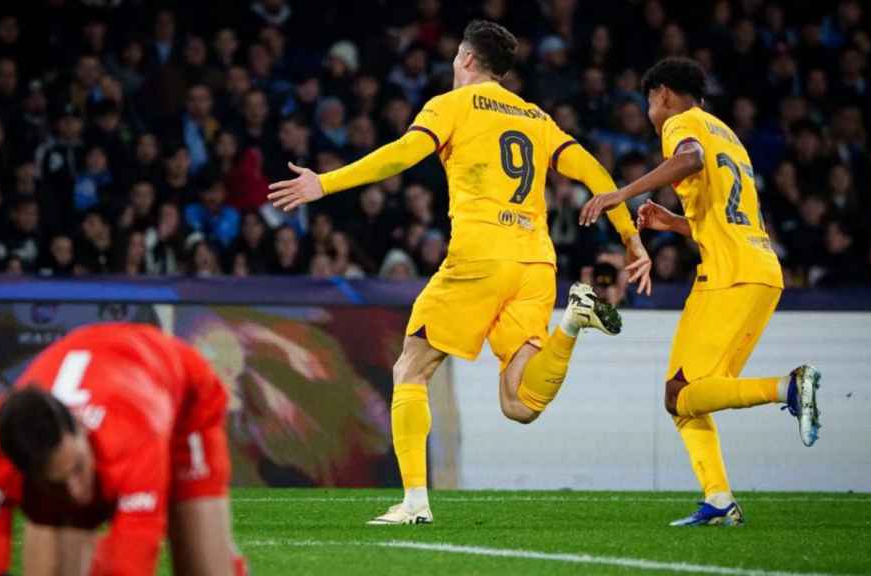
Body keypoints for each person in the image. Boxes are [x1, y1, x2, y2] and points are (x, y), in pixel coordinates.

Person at [269, 20, 652, 525]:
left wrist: (327, 184)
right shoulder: (536, 117)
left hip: (481, 256)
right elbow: (596, 176)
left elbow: (403, 154)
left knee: (410, 368)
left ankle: (414, 502)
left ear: (468, 60)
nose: (453, 64)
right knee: (521, 402)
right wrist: (630, 238)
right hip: (536, 262)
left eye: (455, 57)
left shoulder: (450, 105)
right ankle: (573, 321)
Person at [579, 57, 821, 526]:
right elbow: (727, 217)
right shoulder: (728, 134)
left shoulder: (681, 122)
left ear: (663, 94)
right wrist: (673, 222)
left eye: (650, 100)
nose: (651, 111)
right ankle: (718, 500)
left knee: (682, 394)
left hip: (730, 276)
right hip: (757, 269)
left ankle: (788, 386)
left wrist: (620, 193)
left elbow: (689, 159)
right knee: (686, 394)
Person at [0, 323, 246, 575]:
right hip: (105, 381)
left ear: (82, 429)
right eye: (58, 482)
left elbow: (131, 562)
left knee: (201, 565)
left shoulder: (135, 436)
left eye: (78, 469)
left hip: (181, 392)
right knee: (53, 530)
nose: (77, 492)